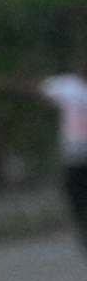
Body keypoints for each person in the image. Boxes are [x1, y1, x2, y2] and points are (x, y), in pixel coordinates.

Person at [37, 70, 87, 249]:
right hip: (74, 157)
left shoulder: (71, 87)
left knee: (76, 197)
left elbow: (42, 91)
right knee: (76, 197)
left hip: (74, 157)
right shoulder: (71, 86)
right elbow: (43, 91)